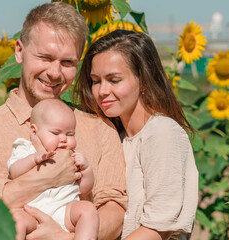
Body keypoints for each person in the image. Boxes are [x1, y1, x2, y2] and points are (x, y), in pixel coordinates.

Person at [0, 2, 127, 240]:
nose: (54, 72)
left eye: (67, 63)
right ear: (19, 51)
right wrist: (47, 177)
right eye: (45, 57)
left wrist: (63, 237)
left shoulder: (100, 129)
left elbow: (115, 211)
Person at [74, 29, 199, 240]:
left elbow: (157, 228)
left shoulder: (162, 133)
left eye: (114, 80)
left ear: (143, 80)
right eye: (96, 80)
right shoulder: (116, 136)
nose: (102, 91)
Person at [8, 99, 99, 240]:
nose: (63, 139)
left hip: (64, 210)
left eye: (70, 134)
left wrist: (86, 169)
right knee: (16, 220)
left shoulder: (72, 156)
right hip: (31, 212)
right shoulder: (26, 148)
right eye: (56, 133)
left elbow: (84, 189)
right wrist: (33, 159)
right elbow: (14, 171)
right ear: (34, 131)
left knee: (88, 209)